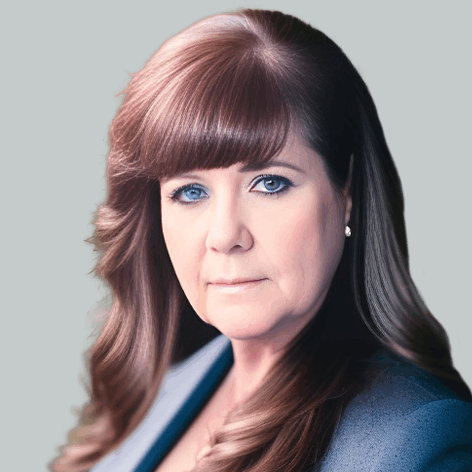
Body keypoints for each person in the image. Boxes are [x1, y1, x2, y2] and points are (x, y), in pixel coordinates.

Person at [49, 8, 472, 472]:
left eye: (270, 184)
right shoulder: (164, 389)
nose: (225, 235)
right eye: (190, 192)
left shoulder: (417, 445)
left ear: (347, 194)